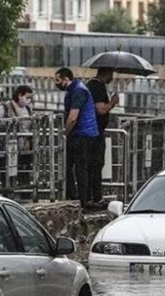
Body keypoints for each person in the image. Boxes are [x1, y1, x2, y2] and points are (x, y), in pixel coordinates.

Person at [54, 67, 99, 210]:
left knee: (78, 168)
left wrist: (64, 134)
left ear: (66, 78)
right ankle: (76, 198)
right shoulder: (77, 89)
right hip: (83, 134)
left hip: (81, 134)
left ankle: (80, 200)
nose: (56, 83)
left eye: (58, 80)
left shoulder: (77, 91)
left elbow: (73, 117)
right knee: (72, 167)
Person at [86, 68, 119, 208]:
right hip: (96, 132)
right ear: (107, 74)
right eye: (111, 73)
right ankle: (95, 197)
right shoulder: (97, 87)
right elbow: (101, 109)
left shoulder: (92, 85)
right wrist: (112, 102)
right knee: (96, 164)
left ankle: (92, 196)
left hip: (93, 131)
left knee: (94, 165)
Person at [0, 85, 34, 189]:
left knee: (24, 170)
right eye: (27, 97)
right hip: (8, 145)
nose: (28, 100)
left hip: (25, 146)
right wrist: (9, 123)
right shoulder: (5, 107)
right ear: (19, 95)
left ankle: (25, 192)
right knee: (7, 170)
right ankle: (8, 191)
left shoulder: (28, 108)